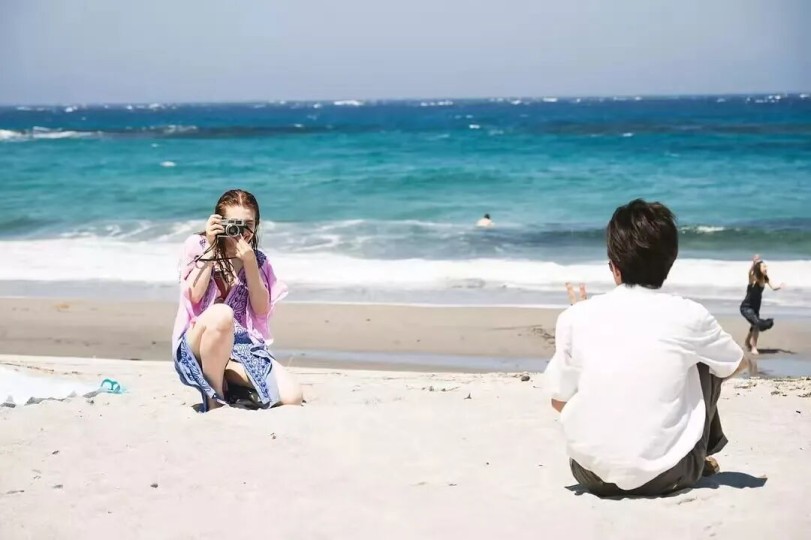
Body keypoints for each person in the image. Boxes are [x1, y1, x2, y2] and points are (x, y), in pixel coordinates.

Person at [546, 199, 748, 497]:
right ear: (670, 263)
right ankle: (701, 450)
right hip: (670, 474)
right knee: (707, 361)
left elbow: (558, 402)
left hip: (591, 474)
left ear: (613, 267)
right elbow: (738, 363)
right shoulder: (689, 315)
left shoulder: (576, 317)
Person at [171, 189, 303, 411]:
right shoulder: (198, 245)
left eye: (248, 225)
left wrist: (250, 264)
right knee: (222, 313)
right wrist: (211, 247)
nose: (241, 231)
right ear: (219, 223)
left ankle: (228, 380)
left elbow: (261, 310)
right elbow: (194, 295)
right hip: (197, 341)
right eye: (234, 224)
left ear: (257, 225)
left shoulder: (258, 260)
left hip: (240, 346)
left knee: (292, 397)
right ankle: (214, 397)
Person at [740, 254, 784, 355]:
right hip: (746, 307)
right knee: (756, 324)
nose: (766, 268)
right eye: (764, 266)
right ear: (758, 268)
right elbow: (749, 273)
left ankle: (747, 342)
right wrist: (753, 263)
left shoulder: (765, 278)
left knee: (754, 325)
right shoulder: (753, 279)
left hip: (756, 308)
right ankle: (754, 348)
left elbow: (773, 287)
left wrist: (780, 286)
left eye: (766, 266)